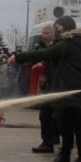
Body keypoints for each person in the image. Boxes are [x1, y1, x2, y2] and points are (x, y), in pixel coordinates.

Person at [9, 16, 81, 162]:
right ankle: (65, 158)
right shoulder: (75, 43)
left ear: (66, 28)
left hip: (74, 93)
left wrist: (18, 57)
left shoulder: (68, 44)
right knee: (66, 127)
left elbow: (45, 53)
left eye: (58, 27)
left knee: (77, 128)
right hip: (72, 92)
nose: (56, 31)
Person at [30, 22, 58, 154]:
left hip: (55, 86)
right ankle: (49, 141)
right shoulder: (42, 47)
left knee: (51, 115)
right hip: (48, 86)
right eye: (42, 33)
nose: (43, 35)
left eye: (46, 33)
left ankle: (50, 141)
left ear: (53, 34)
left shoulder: (56, 47)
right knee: (46, 114)